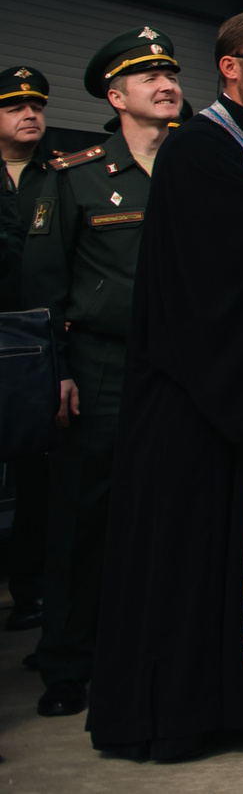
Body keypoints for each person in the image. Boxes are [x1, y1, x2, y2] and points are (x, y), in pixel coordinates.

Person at [82, 12, 243, 760]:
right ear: (229, 67)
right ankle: (180, 713)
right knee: (187, 562)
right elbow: (234, 271)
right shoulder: (198, 150)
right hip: (198, 396)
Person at [21, 28, 186, 718]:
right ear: (116, 96)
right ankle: (67, 661)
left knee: (175, 515)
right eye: (148, 76)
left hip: (183, 370)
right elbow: (42, 284)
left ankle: (161, 652)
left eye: (172, 71)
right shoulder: (75, 175)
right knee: (86, 519)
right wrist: (56, 372)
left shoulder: (195, 163)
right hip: (101, 368)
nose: (166, 82)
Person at [0, 64, 103, 634]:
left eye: (36, 105)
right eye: (15, 107)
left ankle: (32, 590)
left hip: (43, 340)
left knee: (44, 475)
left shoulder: (62, 172)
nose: (30, 114)